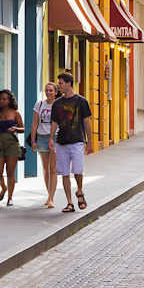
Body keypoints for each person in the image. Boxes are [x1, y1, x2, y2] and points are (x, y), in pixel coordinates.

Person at [50, 72, 93, 213]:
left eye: (61, 83)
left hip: (77, 141)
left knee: (78, 170)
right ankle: (69, 203)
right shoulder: (57, 103)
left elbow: (87, 122)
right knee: (64, 173)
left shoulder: (81, 101)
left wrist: (90, 142)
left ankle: (79, 191)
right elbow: (55, 122)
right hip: (61, 142)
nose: (59, 86)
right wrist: (51, 138)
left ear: (69, 83)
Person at [0, 89, 25, 206]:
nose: (1, 101)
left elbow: (23, 129)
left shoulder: (15, 113)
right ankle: (3, 188)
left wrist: (16, 129)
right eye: (0, 98)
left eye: (4, 99)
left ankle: (10, 198)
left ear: (9, 100)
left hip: (12, 144)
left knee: (10, 172)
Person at [30, 82, 59, 208]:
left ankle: (51, 198)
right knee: (45, 169)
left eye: (51, 90)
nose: (48, 93)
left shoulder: (58, 105)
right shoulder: (39, 104)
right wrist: (33, 141)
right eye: (46, 90)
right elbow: (34, 123)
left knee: (53, 169)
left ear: (56, 92)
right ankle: (49, 195)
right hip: (41, 137)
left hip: (55, 137)